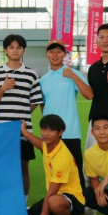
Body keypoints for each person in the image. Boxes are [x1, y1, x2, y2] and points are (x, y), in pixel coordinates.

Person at [0, 34, 43, 194]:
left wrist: (23, 114)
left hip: (23, 130)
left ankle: (23, 203)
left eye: (19, 47)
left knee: (23, 165)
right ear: (5, 50)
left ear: (23, 51)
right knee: (2, 166)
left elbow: (35, 100)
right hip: (2, 129)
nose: (15, 50)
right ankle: (4, 200)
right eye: (11, 47)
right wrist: (3, 88)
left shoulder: (31, 74)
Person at [22, 115, 86, 215]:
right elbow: (38, 142)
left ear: (60, 132)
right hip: (55, 198)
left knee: (53, 201)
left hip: (73, 202)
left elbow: (51, 193)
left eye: (51, 130)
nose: (46, 133)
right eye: (44, 129)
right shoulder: (48, 145)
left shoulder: (62, 158)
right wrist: (24, 132)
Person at [39, 40, 93, 183]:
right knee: (53, 172)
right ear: (46, 54)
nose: (55, 54)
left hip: (70, 133)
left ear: (65, 54)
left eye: (59, 51)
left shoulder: (73, 73)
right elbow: (43, 104)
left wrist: (73, 76)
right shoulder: (43, 80)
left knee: (75, 173)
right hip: (50, 134)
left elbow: (89, 95)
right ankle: (55, 197)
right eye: (51, 51)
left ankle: (80, 197)